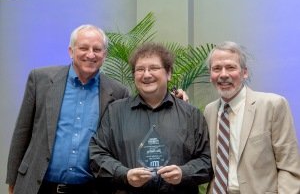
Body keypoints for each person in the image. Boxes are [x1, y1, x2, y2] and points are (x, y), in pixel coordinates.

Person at [6, 24, 130, 194]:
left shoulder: (118, 92)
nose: (91, 54)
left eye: (97, 49)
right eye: (84, 48)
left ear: (104, 55)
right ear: (71, 51)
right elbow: (22, 131)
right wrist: (12, 180)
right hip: (38, 186)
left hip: (90, 188)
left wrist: (176, 100)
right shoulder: (40, 80)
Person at [89, 42, 213, 194]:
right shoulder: (115, 112)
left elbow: (208, 160)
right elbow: (97, 154)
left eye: (154, 68)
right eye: (140, 69)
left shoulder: (191, 115)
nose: (146, 75)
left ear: (169, 73)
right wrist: (124, 175)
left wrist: (184, 173)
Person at [204, 41, 300, 194]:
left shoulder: (273, 105)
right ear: (211, 75)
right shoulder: (209, 111)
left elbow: (289, 167)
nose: (223, 75)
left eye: (230, 67)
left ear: (244, 72)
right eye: (216, 69)